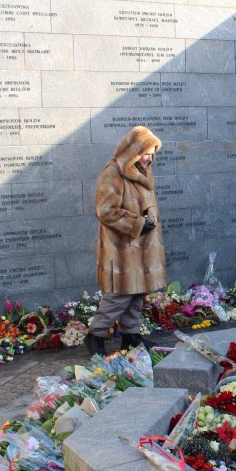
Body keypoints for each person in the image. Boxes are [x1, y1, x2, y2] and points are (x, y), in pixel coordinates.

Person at [86, 125, 167, 355]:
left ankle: (131, 336)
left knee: (138, 293)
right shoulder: (113, 171)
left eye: (153, 153)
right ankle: (95, 336)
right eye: (146, 152)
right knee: (119, 296)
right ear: (133, 151)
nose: (150, 157)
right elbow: (106, 210)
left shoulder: (142, 171)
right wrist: (137, 223)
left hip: (141, 248)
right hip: (122, 249)